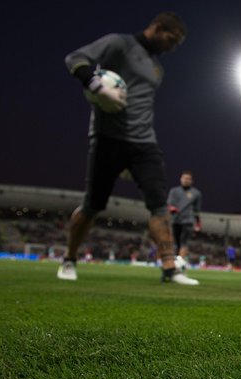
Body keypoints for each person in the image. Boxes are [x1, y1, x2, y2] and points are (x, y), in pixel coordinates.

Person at [58, 12, 198, 285]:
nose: (172, 47)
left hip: (145, 143)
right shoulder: (119, 44)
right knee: (93, 205)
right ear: (157, 28)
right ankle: (69, 259)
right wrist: (97, 86)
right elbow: (74, 59)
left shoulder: (158, 70)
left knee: (159, 203)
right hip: (108, 138)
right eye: (172, 40)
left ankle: (170, 268)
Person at [167, 170, 202, 260]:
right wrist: (171, 209)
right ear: (180, 179)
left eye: (188, 179)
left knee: (184, 241)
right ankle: (175, 260)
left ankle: (180, 262)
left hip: (188, 220)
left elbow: (196, 210)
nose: (186, 180)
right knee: (176, 242)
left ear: (191, 181)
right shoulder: (174, 191)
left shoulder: (196, 193)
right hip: (175, 220)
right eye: (184, 178)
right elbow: (169, 205)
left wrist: (198, 223)